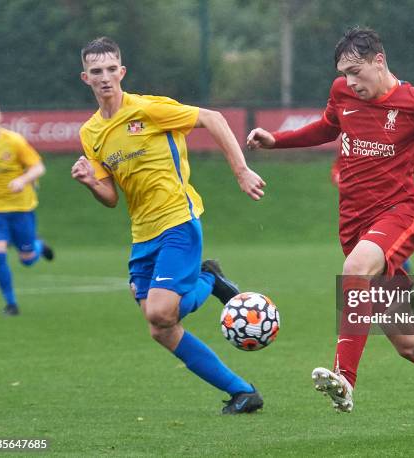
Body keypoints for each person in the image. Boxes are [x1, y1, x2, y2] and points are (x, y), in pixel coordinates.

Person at [248, 27, 414, 437]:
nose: (350, 82)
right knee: (411, 344)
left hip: (399, 214)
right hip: (353, 222)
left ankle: (344, 378)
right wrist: (275, 141)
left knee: (355, 268)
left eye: (356, 71)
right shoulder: (343, 93)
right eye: (344, 74)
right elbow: (325, 128)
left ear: (379, 61)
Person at [71, 37, 266, 414]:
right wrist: (90, 182)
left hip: (178, 219)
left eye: (112, 69)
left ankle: (208, 280)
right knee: (160, 328)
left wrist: (241, 170)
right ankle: (243, 392)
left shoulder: (149, 109)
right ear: (86, 77)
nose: (106, 77)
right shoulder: (90, 134)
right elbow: (111, 198)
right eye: (97, 71)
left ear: (122, 72)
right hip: (142, 234)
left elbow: (215, 119)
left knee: (160, 312)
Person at [0, 96, 54, 316]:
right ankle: (11, 304)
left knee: (27, 260)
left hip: (22, 208)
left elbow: (38, 168)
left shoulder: (14, 141)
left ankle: (38, 246)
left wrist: (22, 180)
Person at [331, 154, 414, 273]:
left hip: (390, 204)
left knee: (381, 250)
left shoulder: (394, 143)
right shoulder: (352, 145)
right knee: (364, 256)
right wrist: (345, 179)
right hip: (360, 209)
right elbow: (336, 170)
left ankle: (398, 276)